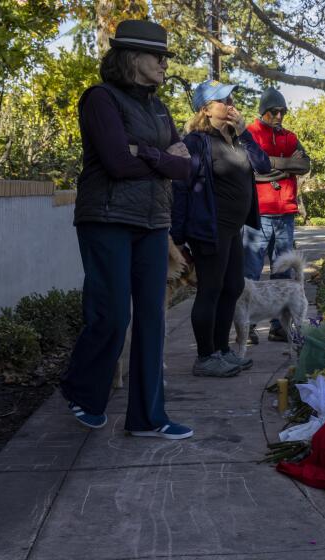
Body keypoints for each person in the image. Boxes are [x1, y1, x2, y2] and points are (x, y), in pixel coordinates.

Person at [60, 20, 194, 439]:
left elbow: (186, 165)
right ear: (133, 58)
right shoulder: (100, 99)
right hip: (107, 219)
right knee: (113, 314)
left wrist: (146, 152)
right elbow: (116, 163)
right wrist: (161, 158)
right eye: (158, 57)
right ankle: (82, 391)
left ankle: (148, 418)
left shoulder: (158, 107)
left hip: (154, 223)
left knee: (153, 319)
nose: (164, 65)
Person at [171, 80, 272, 378]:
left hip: (233, 229)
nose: (230, 103)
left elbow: (263, 166)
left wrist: (244, 133)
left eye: (230, 97)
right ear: (204, 108)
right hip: (208, 229)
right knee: (211, 290)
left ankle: (221, 350)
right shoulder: (195, 142)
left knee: (233, 287)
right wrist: (177, 238)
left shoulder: (237, 139)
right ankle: (205, 357)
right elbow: (181, 189)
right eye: (222, 100)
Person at [243, 87, 311, 344]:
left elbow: (304, 164)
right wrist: (284, 166)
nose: (279, 115)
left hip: (285, 212)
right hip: (259, 212)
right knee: (251, 271)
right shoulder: (250, 133)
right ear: (264, 111)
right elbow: (251, 169)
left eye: (283, 111)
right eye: (274, 111)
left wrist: (269, 164)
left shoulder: (290, 136)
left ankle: (278, 326)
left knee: (282, 271)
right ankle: (247, 325)